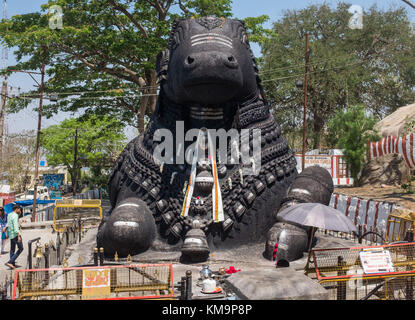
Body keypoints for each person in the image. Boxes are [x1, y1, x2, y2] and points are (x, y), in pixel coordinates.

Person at [5, 204, 23, 269]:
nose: (20, 210)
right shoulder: (15, 216)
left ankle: (12, 264)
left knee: (12, 249)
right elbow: (15, 227)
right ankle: (10, 261)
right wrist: (19, 236)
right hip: (15, 235)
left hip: (11, 234)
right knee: (21, 248)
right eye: (19, 209)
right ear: (17, 209)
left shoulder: (9, 215)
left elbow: (9, 224)